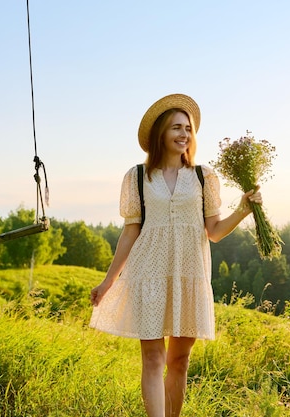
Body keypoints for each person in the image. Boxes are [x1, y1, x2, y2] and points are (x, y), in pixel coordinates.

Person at [89, 93, 262, 417]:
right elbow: (130, 232)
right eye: (176, 128)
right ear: (160, 134)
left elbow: (214, 231)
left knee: (179, 361)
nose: (184, 134)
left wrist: (243, 210)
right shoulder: (137, 177)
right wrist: (108, 281)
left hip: (190, 274)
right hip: (148, 273)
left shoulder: (203, 176)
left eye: (188, 128)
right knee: (153, 358)